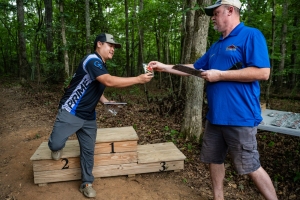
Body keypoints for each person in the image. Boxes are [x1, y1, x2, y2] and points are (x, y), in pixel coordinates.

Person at [149, 0, 278, 199]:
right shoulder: (217, 45)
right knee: (214, 159)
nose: (213, 18)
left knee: (251, 165)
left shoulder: (251, 35)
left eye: (216, 13)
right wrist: (164, 66)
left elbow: (263, 72)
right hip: (215, 117)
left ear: (230, 11)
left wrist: (220, 75)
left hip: (240, 117)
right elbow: (195, 68)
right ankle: (218, 197)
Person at [48, 33, 153, 198]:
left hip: (89, 116)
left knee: (88, 151)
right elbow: (109, 81)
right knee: (55, 145)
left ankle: (87, 183)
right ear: (99, 44)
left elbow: (93, 87)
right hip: (71, 111)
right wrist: (139, 79)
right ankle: (56, 144)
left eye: (114, 47)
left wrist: (105, 102)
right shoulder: (92, 60)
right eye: (109, 45)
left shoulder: (100, 65)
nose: (112, 49)